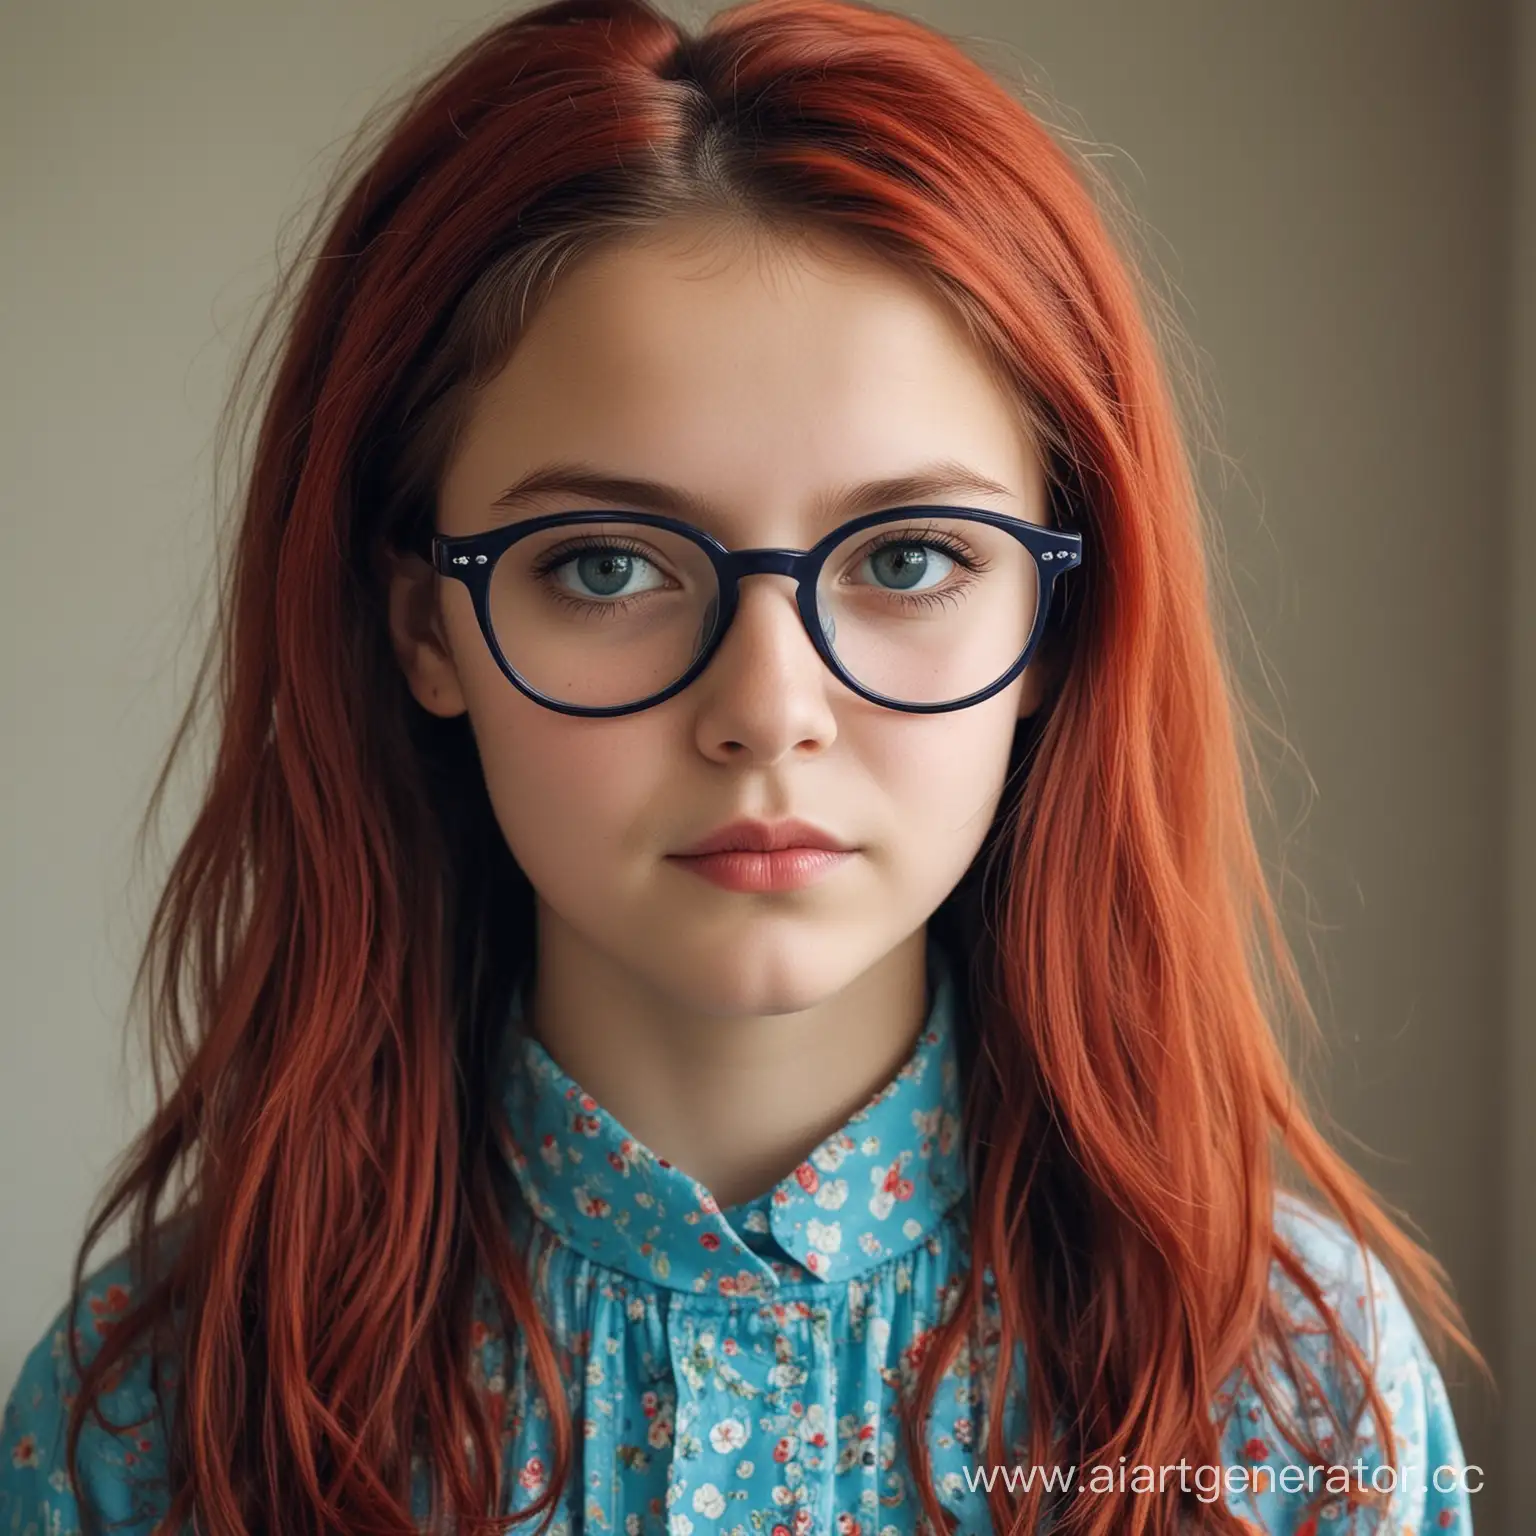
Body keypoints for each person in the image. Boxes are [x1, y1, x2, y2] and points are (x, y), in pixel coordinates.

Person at [0, 0, 1490, 1532]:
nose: (768, 709)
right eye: (601, 567)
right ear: (424, 627)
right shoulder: (158, 1426)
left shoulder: (1296, 1402)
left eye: (909, 555)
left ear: (1057, 619)